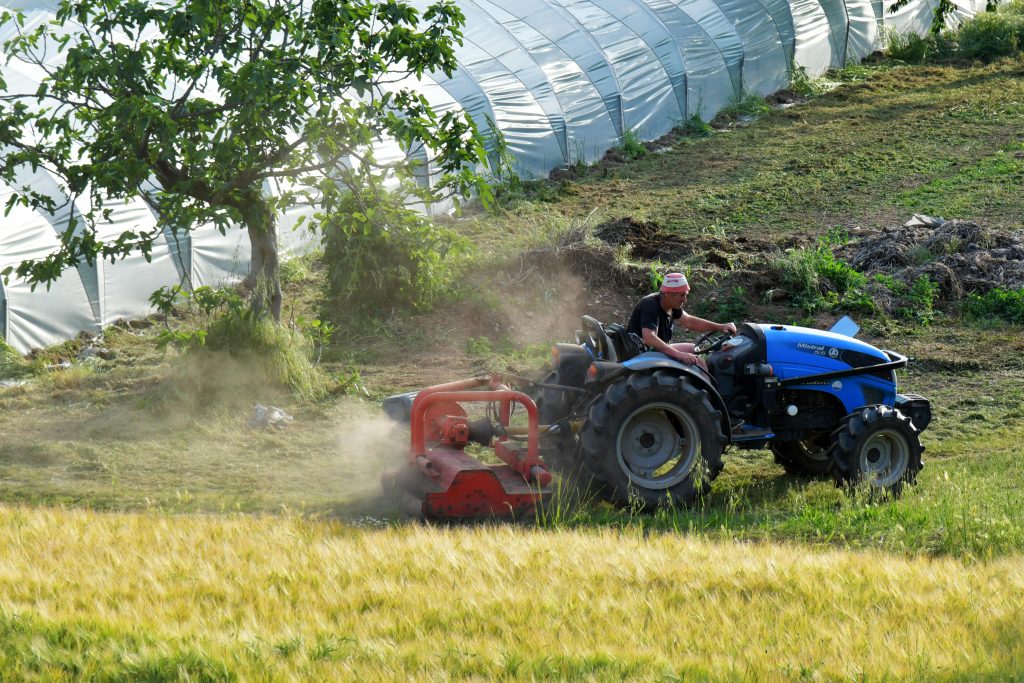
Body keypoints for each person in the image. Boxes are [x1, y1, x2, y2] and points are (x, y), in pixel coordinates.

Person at [625, 272, 737, 368]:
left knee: (693, 349)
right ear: (668, 293)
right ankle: (706, 392)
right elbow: (649, 337)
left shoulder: (671, 304)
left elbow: (689, 321)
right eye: (682, 295)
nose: (685, 300)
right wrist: (679, 354)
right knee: (698, 362)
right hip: (641, 354)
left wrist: (720, 327)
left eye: (686, 295)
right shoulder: (650, 305)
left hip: (654, 351)